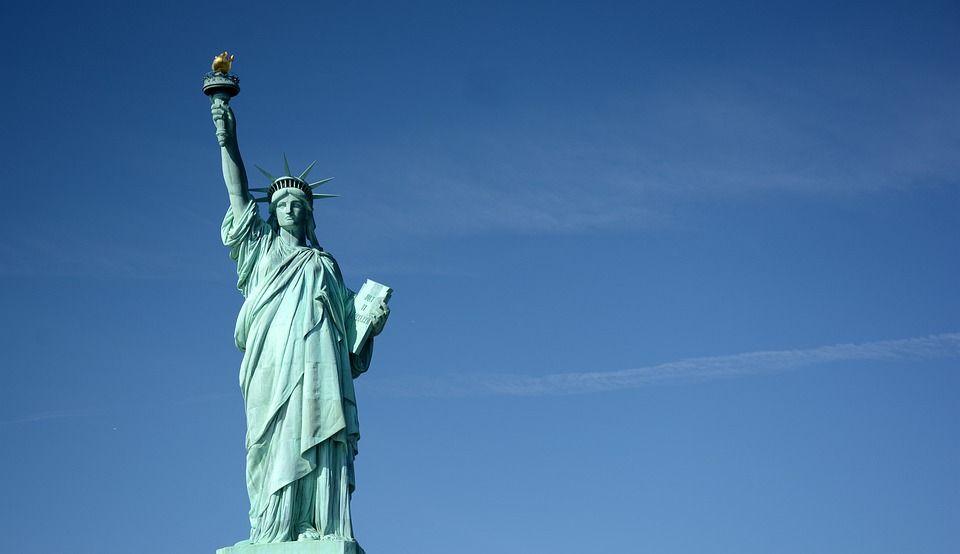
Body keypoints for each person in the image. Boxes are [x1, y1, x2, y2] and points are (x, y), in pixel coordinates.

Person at [211, 99, 388, 549]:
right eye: (281, 203)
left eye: (297, 203)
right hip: (272, 364)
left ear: (310, 213)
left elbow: (352, 338)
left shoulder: (325, 264)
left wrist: (371, 321)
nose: (289, 209)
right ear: (271, 213)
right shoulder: (260, 251)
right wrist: (227, 138)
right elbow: (237, 191)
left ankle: (319, 525)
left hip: (321, 364)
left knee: (319, 431)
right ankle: (272, 530)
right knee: (272, 442)